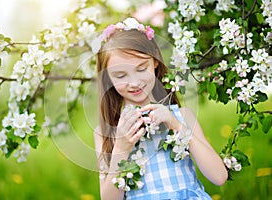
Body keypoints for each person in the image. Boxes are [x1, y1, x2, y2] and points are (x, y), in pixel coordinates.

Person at [93, 17, 228, 200]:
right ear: (108, 78)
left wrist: (177, 126)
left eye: (141, 69)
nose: (134, 82)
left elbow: (219, 177)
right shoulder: (107, 130)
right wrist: (121, 149)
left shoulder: (181, 116)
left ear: (155, 61)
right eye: (121, 75)